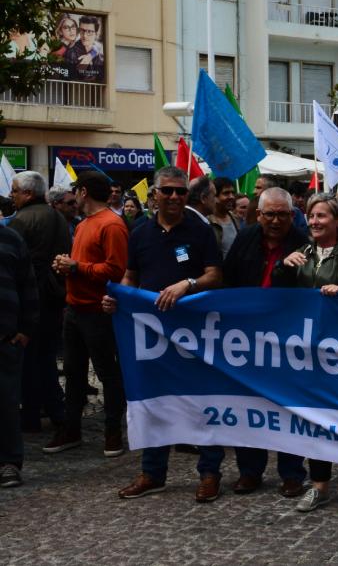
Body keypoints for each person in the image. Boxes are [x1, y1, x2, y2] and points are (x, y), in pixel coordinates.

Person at [113, 166, 225, 502]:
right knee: (153, 403)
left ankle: (209, 472)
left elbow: (215, 276)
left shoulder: (200, 231)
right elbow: (130, 277)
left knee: (201, 402)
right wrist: (117, 299)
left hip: (193, 333)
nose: (174, 197)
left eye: (180, 191)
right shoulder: (140, 233)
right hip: (151, 333)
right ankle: (152, 473)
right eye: (168, 191)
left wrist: (187, 285)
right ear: (155, 195)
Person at [278, 193, 338, 517]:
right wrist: (282, 267)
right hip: (311, 354)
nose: (315, 221)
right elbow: (278, 299)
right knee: (318, 420)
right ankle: (318, 484)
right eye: (311, 216)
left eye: (321, 216)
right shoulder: (301, 254)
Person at [223, 187, 308, 499]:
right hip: (247, 340)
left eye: (281, 214)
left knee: (288, 407)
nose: (275, 220)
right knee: (249, 406)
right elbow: (228, 280)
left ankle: (292, 473)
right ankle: (249, 471)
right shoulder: (246, 238)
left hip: (289, 340)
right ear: (258, 215)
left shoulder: (304, 242)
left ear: (292, 215)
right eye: (269, 214)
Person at [44, 172, 128, 458]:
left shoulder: (112, 224)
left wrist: (76, 267)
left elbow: (115, 271)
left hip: (97, 312)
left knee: (107, 374)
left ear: (83, 192)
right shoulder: (83, 225)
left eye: (76, 192)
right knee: (74, 373)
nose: (74, 197)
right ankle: (71, 429)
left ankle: (113, 430)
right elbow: (83, 264)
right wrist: (66, 265)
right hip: (75, 309)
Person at [7, 172, 71, 434]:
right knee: (45, 357)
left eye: (15, 191)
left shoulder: (21, 221)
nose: (11, 195)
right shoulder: (57, 215)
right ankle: (56, 411)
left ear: (28, 194)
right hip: (56, 295)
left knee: (30, 359)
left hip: (34, 298)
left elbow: (14, 262)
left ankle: (32, 415)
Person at [0, 223, 39, 488]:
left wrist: (26, 329)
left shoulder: (11, 238)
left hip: (5, 340)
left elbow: (29, 286)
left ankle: (9, 463)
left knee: (6, 403)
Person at [64, 15, 104, 82]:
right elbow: (68, 77)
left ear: (96, 34)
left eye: (89, 32)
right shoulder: (71, 52)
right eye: (82, 31)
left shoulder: (100, 55)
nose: (85, 35)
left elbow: (103, 79)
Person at [207, 176, 240, 257]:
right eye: (226, 193)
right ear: (215, 197)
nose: (231, 197)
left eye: (233, 193)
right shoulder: (206, 221)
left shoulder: (235, 218)